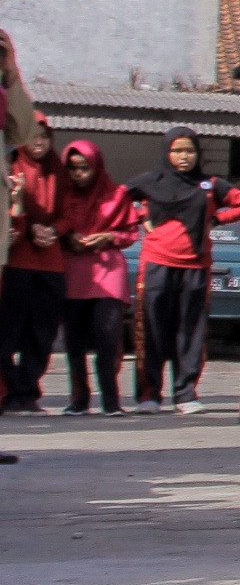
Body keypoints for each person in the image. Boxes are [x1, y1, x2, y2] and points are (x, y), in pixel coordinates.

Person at [132, 130, 240, 413]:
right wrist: (140, 218)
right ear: (167, 153)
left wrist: (216, 218)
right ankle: (149, 395)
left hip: (195, 267)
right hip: (156, 264)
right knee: (152, 329)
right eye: (177, 151)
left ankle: (185, 394)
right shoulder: (150, 182)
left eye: (189, 151)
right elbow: (116, 199)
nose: (183, 157)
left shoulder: (209, 185)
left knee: (191, 332)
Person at [51, 141, 140, 416]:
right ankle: (79, 399)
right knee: (75, 342)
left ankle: (111, 401)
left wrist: (108, 236)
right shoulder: (61, 195)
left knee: (108, 339)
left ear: (97, 166)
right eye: (73, 169)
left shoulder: (116, 195)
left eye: (85, 168)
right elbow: (52, 224)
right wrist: (68, 237)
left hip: (107, 272)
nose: (79, 174)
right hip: (73, 272)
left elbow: (130, 233)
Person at [4, 105, 63, 414]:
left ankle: (28, 391)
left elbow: (69, 211)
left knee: (42, 334)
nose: (39, 142)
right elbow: (9, 213)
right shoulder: (11, 166)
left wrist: (54, 230)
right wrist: (29, 230)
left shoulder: (59, 169)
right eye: (32, 136)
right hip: (17, 261)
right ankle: (11, 390)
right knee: (9, 331)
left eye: (45, 136)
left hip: (51, 263)